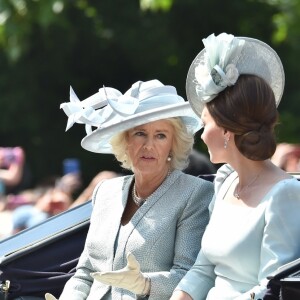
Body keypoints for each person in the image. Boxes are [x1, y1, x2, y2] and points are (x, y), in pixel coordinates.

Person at [45, 79, 214, 300]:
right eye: (140, 133)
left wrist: (144, 284)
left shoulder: (195, 194)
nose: (148, 145)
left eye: (160, 135)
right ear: (125, 139)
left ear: (174, 144)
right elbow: (85, 273)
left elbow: (189, 275)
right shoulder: (105, 191)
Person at [170, 33, 300, 300]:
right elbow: (203, 270)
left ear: (227, 130)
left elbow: (271, 289)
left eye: (205, 124)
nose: (202, 135)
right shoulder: (226, 181)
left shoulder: (284, 194)